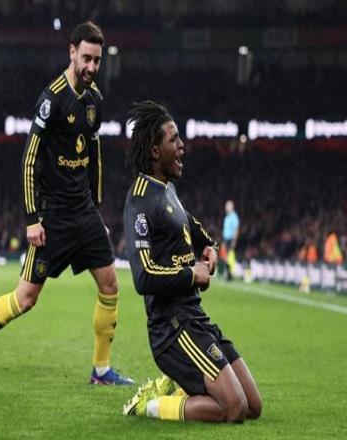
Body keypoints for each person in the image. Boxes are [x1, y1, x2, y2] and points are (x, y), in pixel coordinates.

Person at [0, 21, 134, 386]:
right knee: (26, 299)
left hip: (84, 212)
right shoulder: (52, 98)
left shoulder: (95, 99)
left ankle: (101, 371)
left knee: (110, 285)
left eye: (97, 60)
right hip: (54, 217)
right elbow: (29, 159)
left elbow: (94, 155)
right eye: (86, 58)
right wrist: (32, 218)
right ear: (71, 52)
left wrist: (97, 209)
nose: (91, 67)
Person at [122, 101, 262, 423]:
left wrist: (211, 249)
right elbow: (143, 277)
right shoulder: (140, 200)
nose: (182, 146)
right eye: (174, 140)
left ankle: (182, 389)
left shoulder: (168, 191)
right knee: (234, 409)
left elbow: (195, 231)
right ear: (155, 151)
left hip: (194, 317)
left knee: (253, 406)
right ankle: (152, 404)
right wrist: (191, 274)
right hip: (171, 328)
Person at [222, 200, 239, 280]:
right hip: (225, 239)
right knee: (225, 256)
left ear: (231, 207)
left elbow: (236, 229)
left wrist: (234, 241)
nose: (226, 208)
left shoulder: (234, 216)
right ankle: (227, 273)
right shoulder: (227, 216)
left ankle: (230, 273)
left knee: (229, 257)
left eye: (227, 206)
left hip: (230, 239)